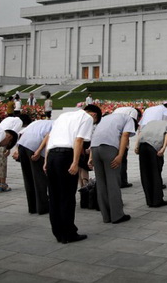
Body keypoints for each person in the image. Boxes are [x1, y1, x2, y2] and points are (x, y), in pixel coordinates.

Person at [44, 104, 102, 244]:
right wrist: (75, 162)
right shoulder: (86, 118)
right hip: (66, 156)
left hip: (52, 155)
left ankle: (58, 232)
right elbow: (79, 140)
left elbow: (50, 138)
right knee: (67, 196)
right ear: (94, 115)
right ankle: (68, 233)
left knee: (54, 196)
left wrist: (46, 161)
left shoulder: (64, 116)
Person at [89, 108, 139, 224]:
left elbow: (94, 134)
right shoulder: (129, 119)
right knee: (113, 183)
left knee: (101, 183)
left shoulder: (106, 117)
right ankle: (117, 215)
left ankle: (106, 216)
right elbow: (125, 135)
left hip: (95, 148)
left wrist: (90, 157)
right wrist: (120, 155)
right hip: (109, 148)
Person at [135, 105, 167, 207]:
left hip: (143, 146)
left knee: (145, 174)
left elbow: (141, 132)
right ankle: (157, 200)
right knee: (155, 173)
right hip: (154, 147)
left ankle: (149, 200)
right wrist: (164, 148)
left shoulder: (150, 123)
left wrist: (136, 146)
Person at [16, 118, 53, 214]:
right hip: (34, 147)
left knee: (28, 177)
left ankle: (32, 207)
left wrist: (17, 150)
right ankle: (42, 207)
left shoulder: (37, 122)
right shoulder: (56, 124)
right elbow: (48, 136)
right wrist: (39, 150)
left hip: (22, 145)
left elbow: (21, 133)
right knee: (39, 178)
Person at [0, 115, 30, 193]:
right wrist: (8, 148)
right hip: (3, 141)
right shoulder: (19, 122)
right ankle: (3, 184)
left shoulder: (8, 118)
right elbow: (11, 135)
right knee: (2, 164)